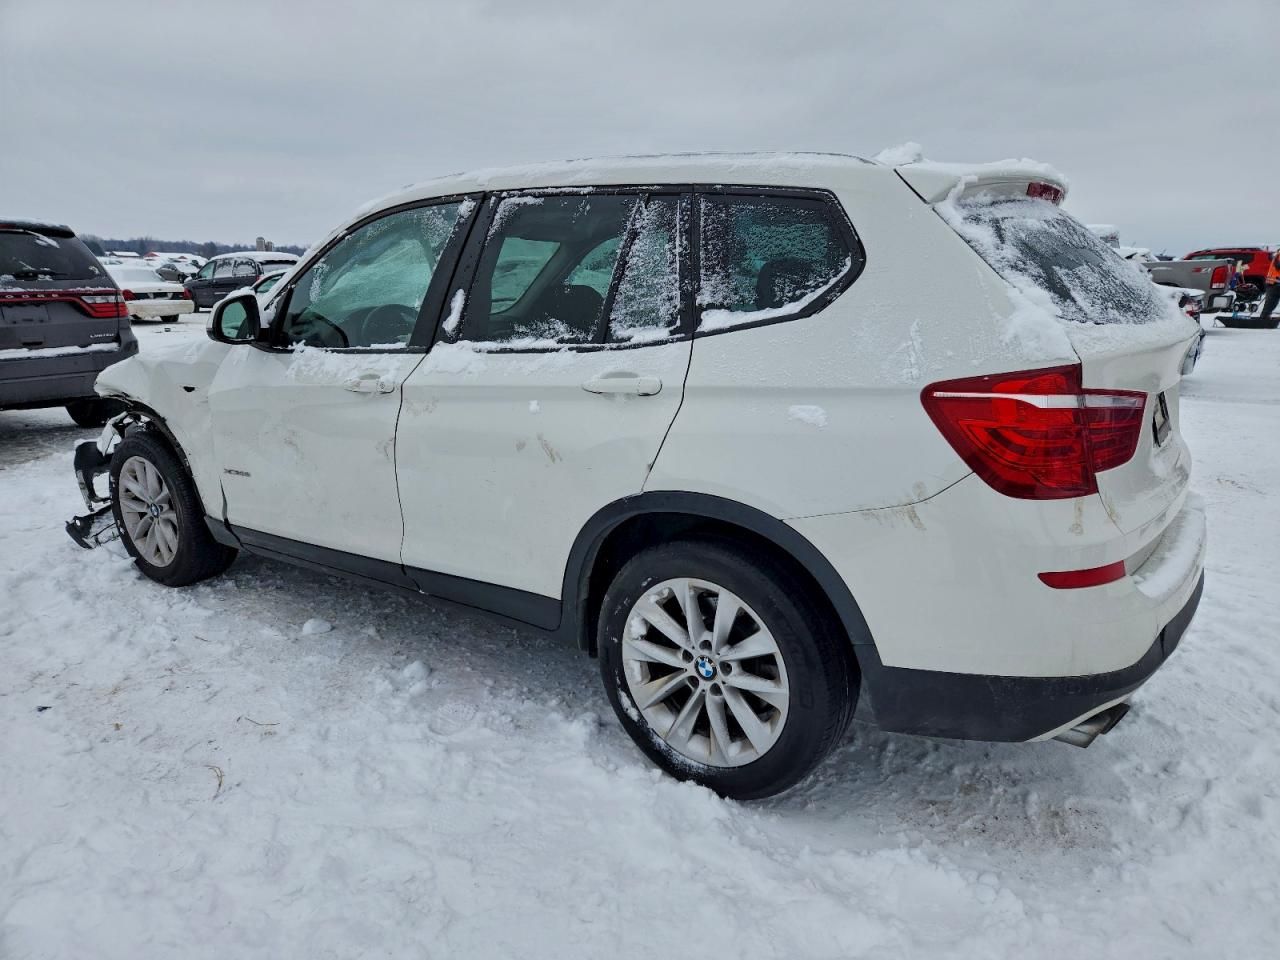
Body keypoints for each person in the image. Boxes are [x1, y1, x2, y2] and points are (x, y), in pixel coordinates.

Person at [1261, 249, 1280, 323]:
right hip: (1275, 283)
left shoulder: (1277, 254)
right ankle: (1264, 318)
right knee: (1271, 303)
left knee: (1271, 303)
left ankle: (1265, 317)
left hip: (1273, 283)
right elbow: (1278, 266)